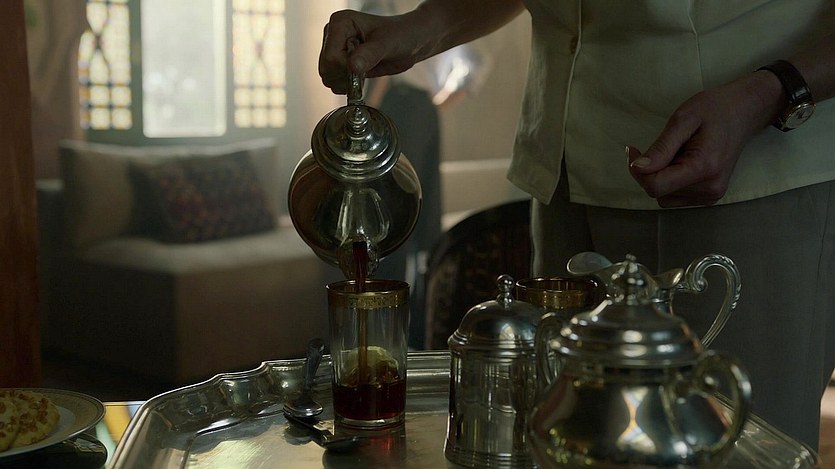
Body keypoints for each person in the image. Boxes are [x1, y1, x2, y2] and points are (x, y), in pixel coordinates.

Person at [318, 0, 835, 452]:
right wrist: (423, 26)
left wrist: (774, 91)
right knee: (564, 444)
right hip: (564, 178)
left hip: (742, 175)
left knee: (729, 449)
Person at [353, 1, 491, 349]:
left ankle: (385, 332)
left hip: (396, 106)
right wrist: (432, 107)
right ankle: (417, 334)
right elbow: (478, 60)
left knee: (389, 218)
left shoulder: (385, 3)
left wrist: (364, 113)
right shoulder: (441, 9)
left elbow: (379, 67)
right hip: (422, 110)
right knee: (418, 215)